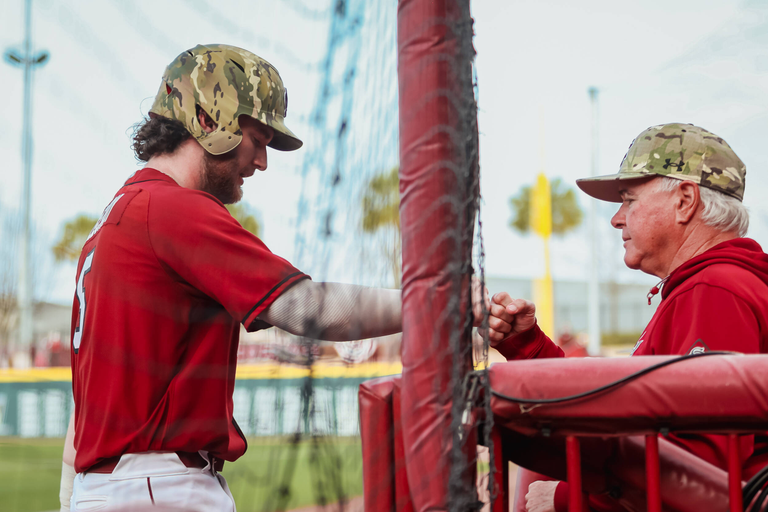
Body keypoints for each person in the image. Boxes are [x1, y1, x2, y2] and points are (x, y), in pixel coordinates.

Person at [58, 43, 487, 512]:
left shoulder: (112, 221)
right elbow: (310, 309)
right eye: (257, 139)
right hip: (158, 487)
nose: (261, 161)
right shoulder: (172, 209)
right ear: (208, 120)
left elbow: (82, 411)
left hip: (104, 488)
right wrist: (442, 302)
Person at [483, 123, 768, 512]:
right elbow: (606, 408)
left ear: (685, 200)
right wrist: (527, 345)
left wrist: (571, 500)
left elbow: (700, 469)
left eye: (629, 199)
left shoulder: (715, 289)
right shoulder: (713, 285)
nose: (617, 218)